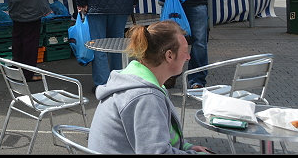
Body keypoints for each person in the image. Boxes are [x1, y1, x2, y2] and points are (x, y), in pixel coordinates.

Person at [88, 20, 212, 154]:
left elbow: (159, 137)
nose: (188, 57)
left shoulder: (135, 80)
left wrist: (187, 147)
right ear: (169, 55)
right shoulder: (145, 97)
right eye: (185, 51)